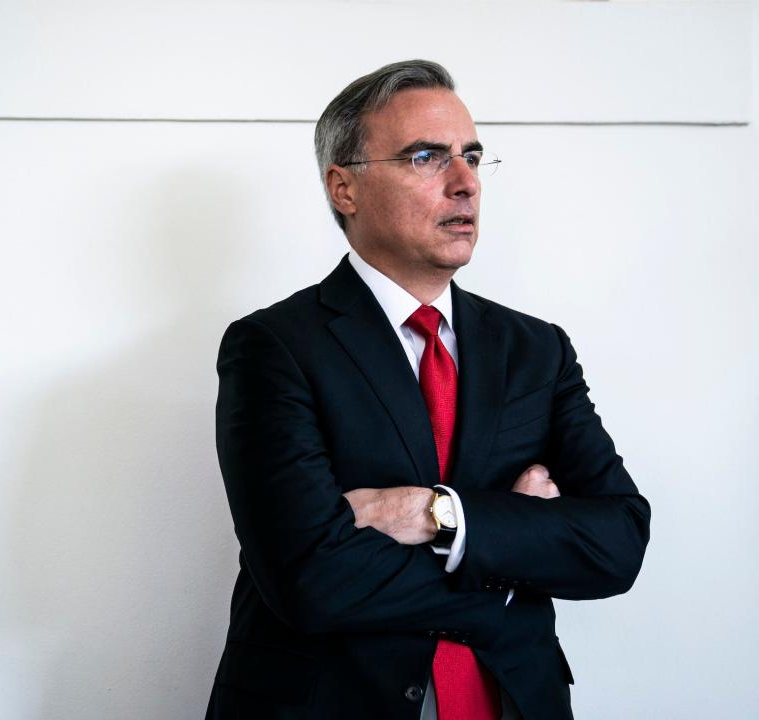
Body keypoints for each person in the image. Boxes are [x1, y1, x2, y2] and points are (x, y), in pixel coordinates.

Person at [205, 59, 650, 720]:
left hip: (514, 700)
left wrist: (442, 516)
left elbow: (617, 542)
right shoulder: (274, 347)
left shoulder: (537, 350)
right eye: (425, 157)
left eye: (471, 156)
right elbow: (309, 579)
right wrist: (511, 549)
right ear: (343, 187)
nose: (466, 183)